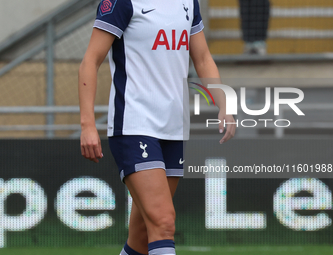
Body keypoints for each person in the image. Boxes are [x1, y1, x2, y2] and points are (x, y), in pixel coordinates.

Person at [78, 0, 236, 254]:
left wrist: (224, 105)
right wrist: (87, 124)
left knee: (141, 236)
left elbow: (203, 58)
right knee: (163, 222)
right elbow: (90, 61)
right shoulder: (122, 2)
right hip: (134, 125)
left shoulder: (188, 2)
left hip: (173, 129)